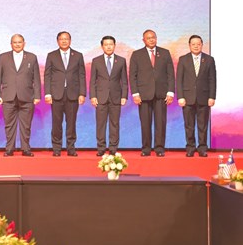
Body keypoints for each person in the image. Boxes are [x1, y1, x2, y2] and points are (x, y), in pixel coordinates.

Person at [129, 29, 175, 157]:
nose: (151, 40)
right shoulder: (137, 54)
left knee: (160, 123)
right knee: (145, 123)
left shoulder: (165, 53)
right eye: (148, 38)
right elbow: (132, 76)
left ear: (156, 38)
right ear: (143, 40)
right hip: (143, 95)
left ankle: (159, 149)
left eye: (153, 37)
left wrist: (170, 92)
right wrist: (135, 93)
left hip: (161, 94)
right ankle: (146, 149)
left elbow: (171, 74)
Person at [0, 34, 41, 157]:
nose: (17, 44)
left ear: (24, 43)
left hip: (27, 96)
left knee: (26, 125)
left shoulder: (32, 57)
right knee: (9, 125)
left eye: (19, 42)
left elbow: (36, 78)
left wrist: (37, 95)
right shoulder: (3, 57)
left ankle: (26, 149)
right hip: (8, 96)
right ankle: (9, 149)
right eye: (15, 42)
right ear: (11, 44)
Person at [44, 31, 86, 157]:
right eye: (61, 39)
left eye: (66, 39)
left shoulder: (78, 55)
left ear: (70, 41)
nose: (64, 41)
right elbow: (47, 75)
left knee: (71, 123)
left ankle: (71, 148)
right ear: (57, 41)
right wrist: (47, 93)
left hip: (73, 94)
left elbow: (82, 75)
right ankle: (56, 148)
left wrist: (82, 93)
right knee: (56, 123)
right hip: (56, 94)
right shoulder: (52, 55)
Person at [176, 35, 216, 157]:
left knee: (203, 125)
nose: (196, 46)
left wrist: (212, 97)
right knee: (189, 125)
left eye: (198, 44)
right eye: (193, 44)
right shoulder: (183, 59)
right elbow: (179, 80)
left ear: (202, 45)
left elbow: (212, 80)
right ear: (189, 45)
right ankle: (190, 147)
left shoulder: (209, 60)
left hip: (204, 98)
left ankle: (202, 148)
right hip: (187, 98)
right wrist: (180, 97)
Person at [89, 36, 128, 156]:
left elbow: (124, 81)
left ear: (114, 45)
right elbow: (92, 80)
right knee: (100, 124)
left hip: (116, 97)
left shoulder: (121, 60)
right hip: (100, 97)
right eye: (106, 45)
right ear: (102, 46)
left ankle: (113, 148)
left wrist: (124, 96)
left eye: (111, 44)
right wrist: (93, 96)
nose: (109, 47)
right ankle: (101, 148)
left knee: (114, 124)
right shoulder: (96, 61)